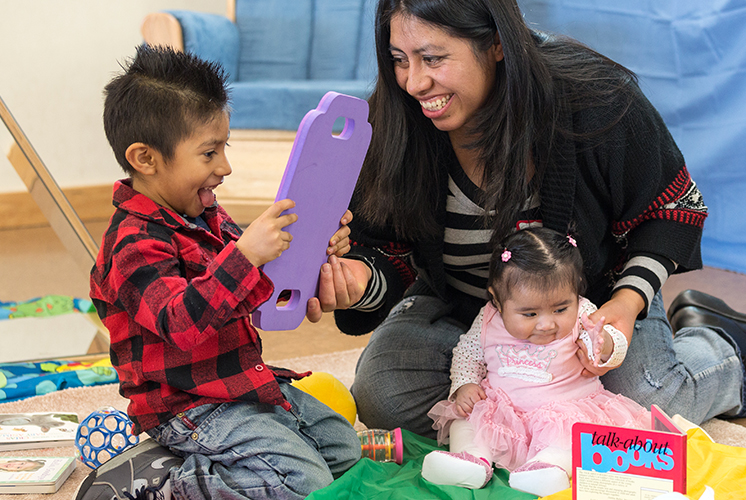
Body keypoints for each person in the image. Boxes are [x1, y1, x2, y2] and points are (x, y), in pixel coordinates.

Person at [306, 0, 746, 438]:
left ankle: (722, 349)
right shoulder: (391, 121)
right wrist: (360, 281)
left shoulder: (595, 98)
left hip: (588, 309)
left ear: (496, 43)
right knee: (385, 394)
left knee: (647, 404)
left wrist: (628, 303)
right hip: (465, 311)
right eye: (400, 60)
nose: (415, 82)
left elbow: (672, 209)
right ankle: (524, 398)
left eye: (433, 58)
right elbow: (382, 247)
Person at [86, 45, 360, 500]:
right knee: (303, 484)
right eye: (209, 153)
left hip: (242, 385)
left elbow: (253, 292)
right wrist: (246, 256)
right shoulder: (130, 244)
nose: (225, 167)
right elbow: (181, 323)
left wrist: (311, 254)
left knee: (343, 455)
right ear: (145, 158)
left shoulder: (207, 214)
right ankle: (163, 488)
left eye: (224, 148)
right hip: (184, 404)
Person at [420, 227, 649, 496]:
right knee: (465, 419)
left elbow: (611, 343)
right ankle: (470, 461)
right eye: (529, 313)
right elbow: (468, 353)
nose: (547, 323)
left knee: (573, 439)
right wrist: (465, 385)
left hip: (565, 411)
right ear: (497, 299)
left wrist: (604, 344)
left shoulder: (583, 313)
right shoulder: (489, 318)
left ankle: (549, 467)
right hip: (503, 411)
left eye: (561, 309)